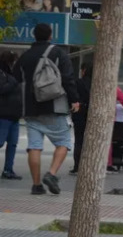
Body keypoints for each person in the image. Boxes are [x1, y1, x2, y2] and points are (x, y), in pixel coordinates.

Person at [13, 24, 79, 195]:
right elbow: (68, 78)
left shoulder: (25, 56)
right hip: (54, 105)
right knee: (64, 142)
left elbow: (16, 79)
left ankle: (36, 186)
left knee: (34, 146)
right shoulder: (58, 53)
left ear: (34, 36)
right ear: (50, 35)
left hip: (30, 109)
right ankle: (51, 173)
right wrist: (74, 100)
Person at [0, 52, 23, 180]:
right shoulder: (4, 74)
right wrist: (13, 82)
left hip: (14, 115)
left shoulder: (13, 74)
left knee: (13, 144)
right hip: (4, 114)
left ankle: (8, 170)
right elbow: (2, 89)